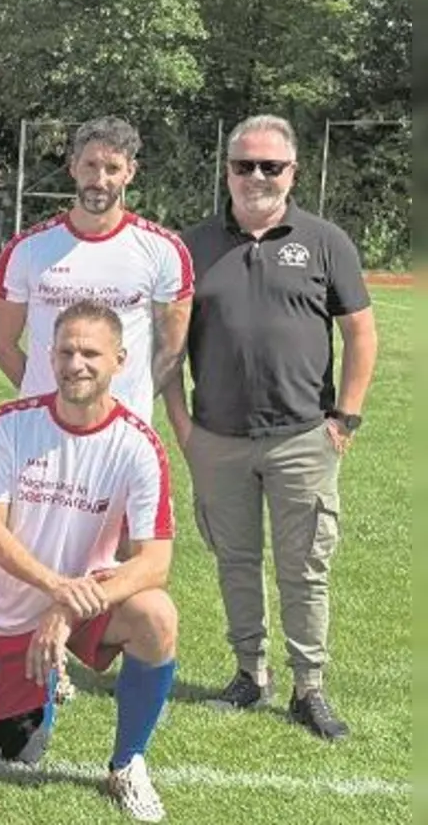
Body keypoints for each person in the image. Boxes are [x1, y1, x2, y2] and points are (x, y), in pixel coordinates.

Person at [161, 114, 377, 741]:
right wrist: (183, 426)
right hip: (218, 438)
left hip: (303, 436)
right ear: (226, 170)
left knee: (305, 565)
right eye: (244, 165)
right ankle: (248, 673)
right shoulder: (190, 246)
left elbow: (360, 331)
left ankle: (309, 686)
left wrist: (347, 416)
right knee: (235, 560)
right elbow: (167, 351)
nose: (256, 176)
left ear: (293, 172)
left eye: (270, 166)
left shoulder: (325, 240)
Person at [0, 301, 178, 822]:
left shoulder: (137, 444)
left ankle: (128, 762)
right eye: (66, 351)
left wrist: (67, 607)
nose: (76, 363)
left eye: (91, 352)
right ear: (50, 356)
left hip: (81, 605)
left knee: (156, 615)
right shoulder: (11, 423)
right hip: (1, 615)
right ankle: (35, 687)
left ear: (120, 360)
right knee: (12, 753)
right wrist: (54, 587)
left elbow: (155, 561)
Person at [0, 115, 193, 426]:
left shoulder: (163, 250)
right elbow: (2, 345)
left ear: (130, 172)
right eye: (90, 165)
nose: (99, 179)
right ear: (73, 167)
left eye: (112, 168)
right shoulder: (27, 249)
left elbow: (172, 350)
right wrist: (49, 397)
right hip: (42, 426)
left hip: (124, 431)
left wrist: (129, 401)